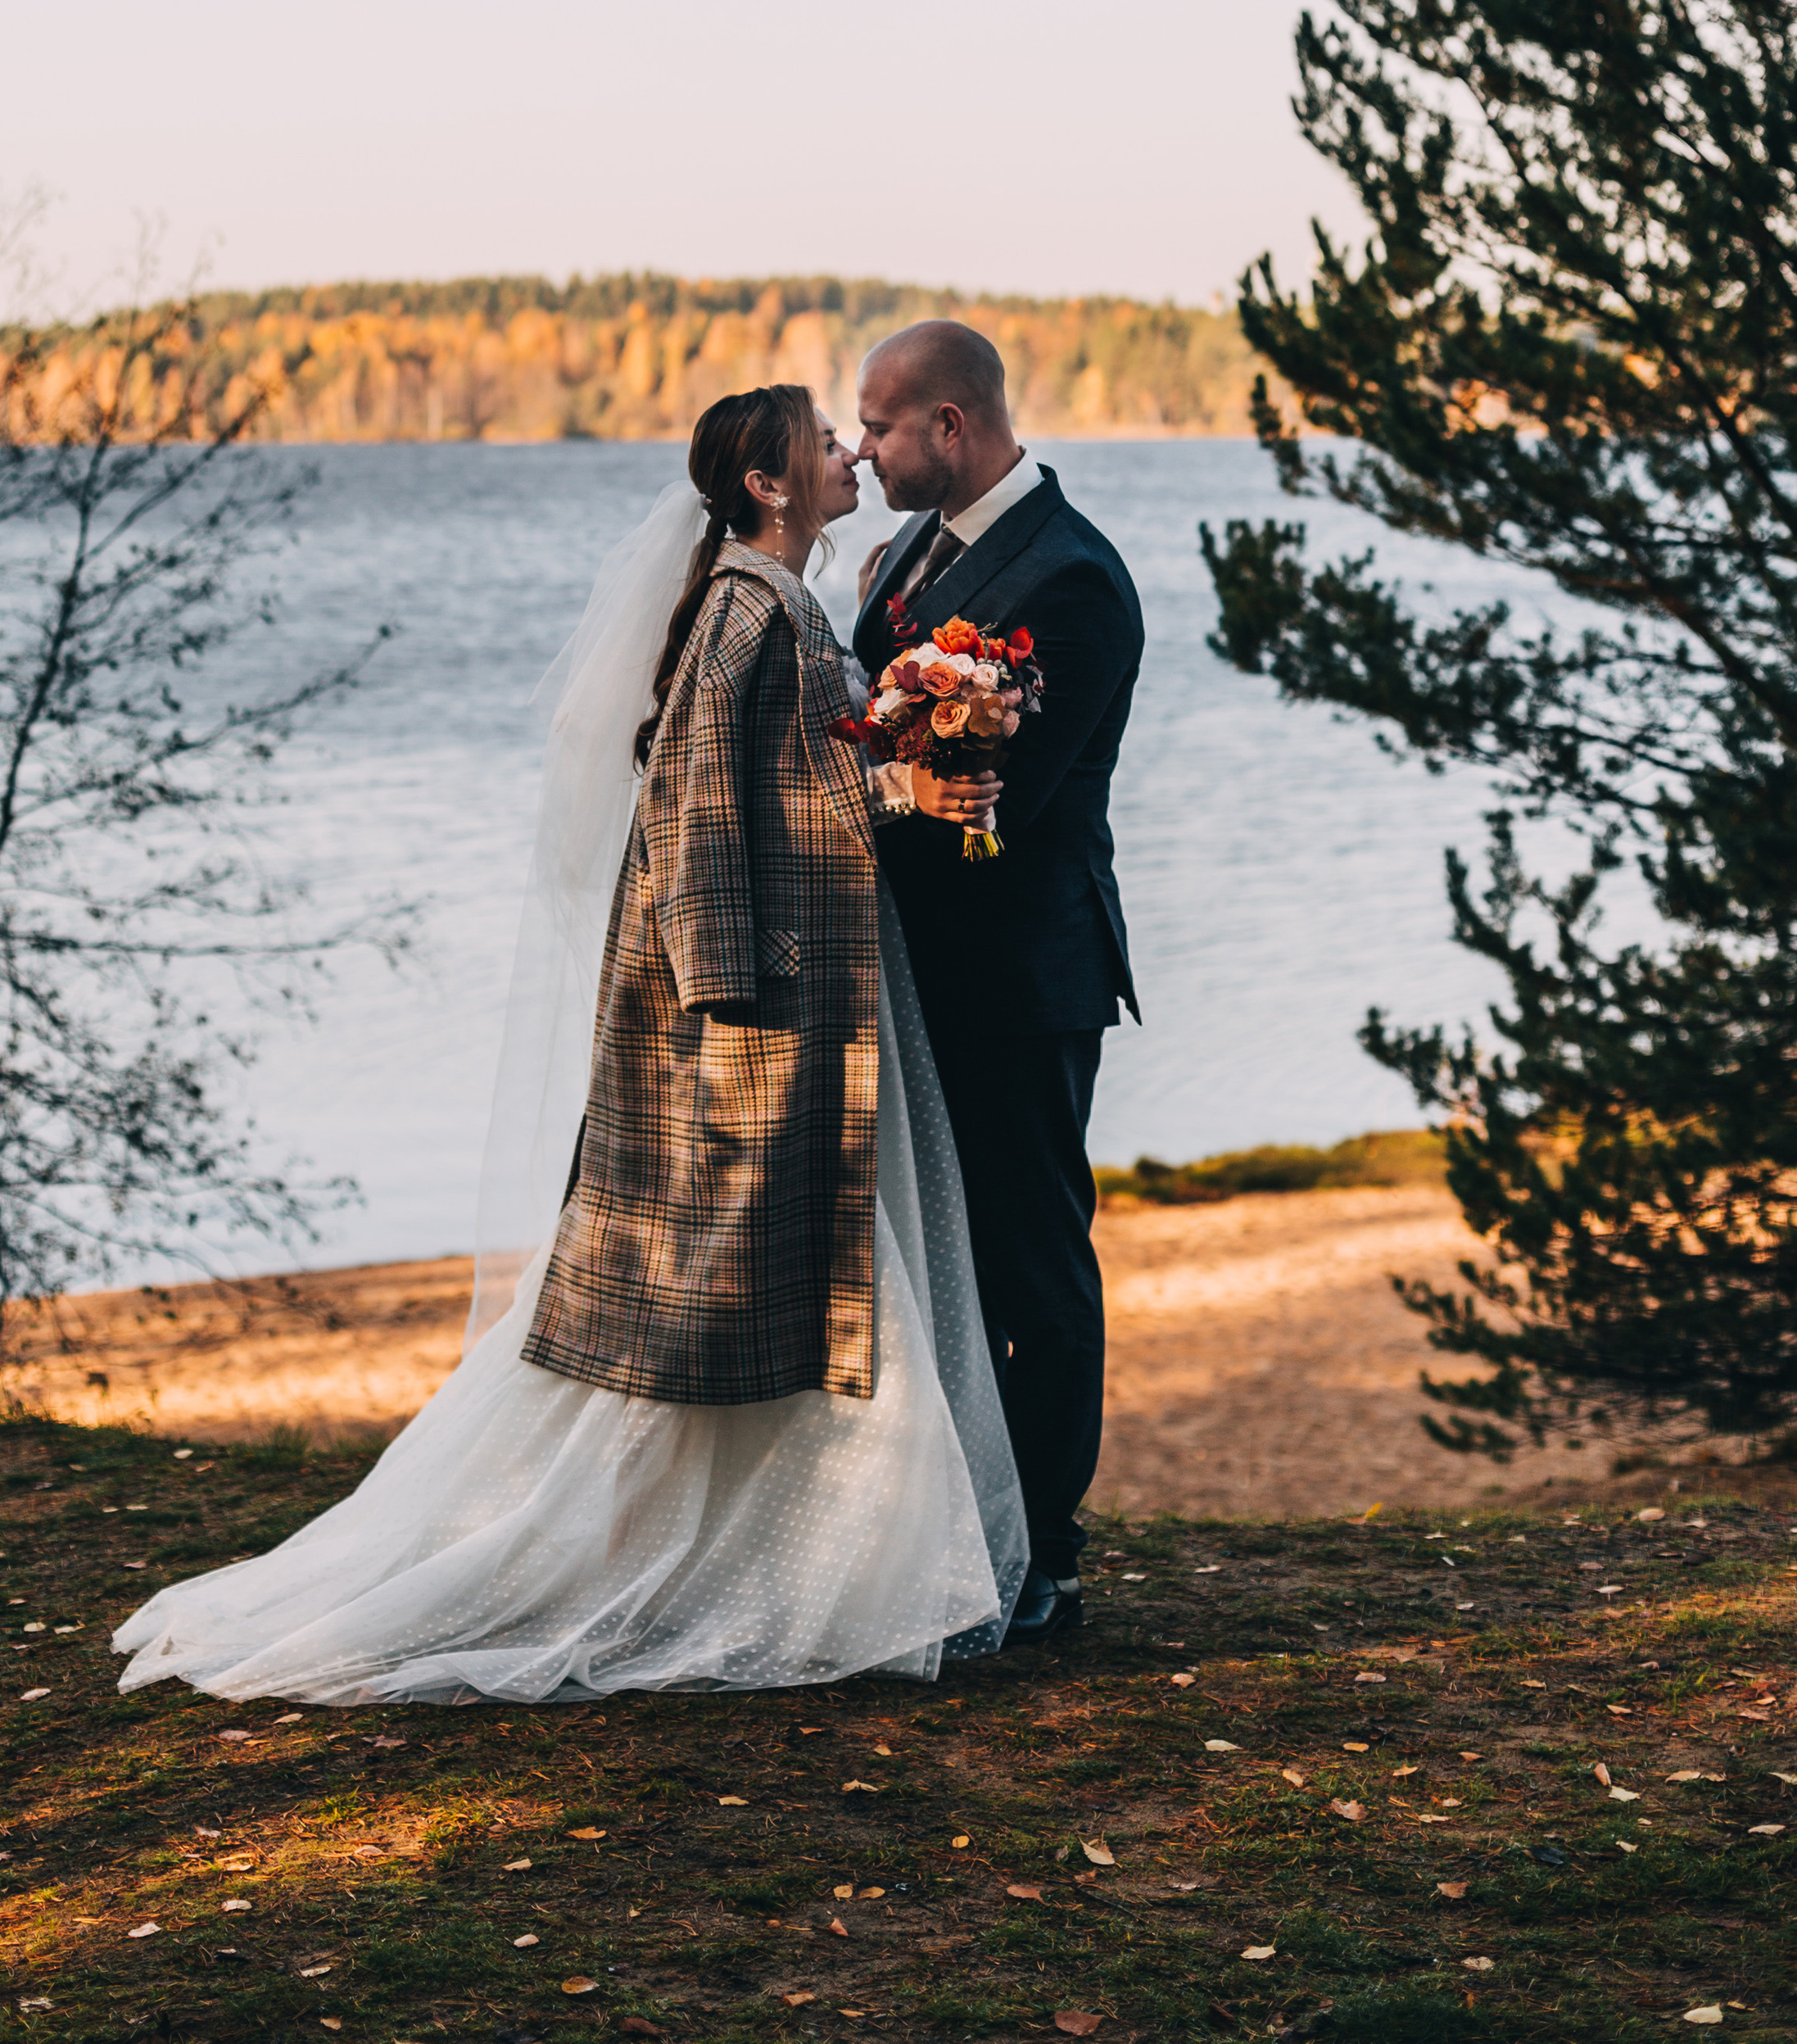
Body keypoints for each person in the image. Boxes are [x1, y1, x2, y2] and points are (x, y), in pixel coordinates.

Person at [113, 383, 1027, 1708]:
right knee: (748, 1295)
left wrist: (905, 774)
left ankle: (817, 1574)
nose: (844, 455)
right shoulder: (744, 607)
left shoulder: (773, 601)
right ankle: (759, 1576)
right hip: (755, 1015)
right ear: (767, 487)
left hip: (794, 1003)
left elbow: (786, 785)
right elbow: (704, 807)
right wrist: (727, 1007)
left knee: (806, 1287)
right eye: (821, 441)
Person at [852, 322, 1144, 1643]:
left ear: (951, 428)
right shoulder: (915, 553)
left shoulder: (1074, 580)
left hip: (1026, 977)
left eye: (880, 427)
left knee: (1033, 1259)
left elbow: (1005, 808)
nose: (863, 449)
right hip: (920, 968)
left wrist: (848, 798)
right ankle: (964, 1518)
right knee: (939, 1260)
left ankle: (1050, 1550)